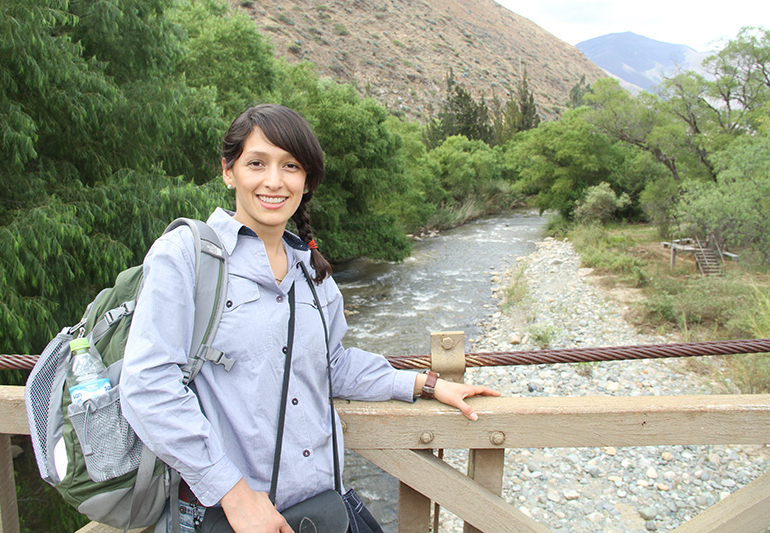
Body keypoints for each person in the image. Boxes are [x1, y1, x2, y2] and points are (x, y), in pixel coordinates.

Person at [120, 103, 500, 533]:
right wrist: (235, 493)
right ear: (228, 171)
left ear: (306, 179)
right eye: (256, 163)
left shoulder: (313, 273)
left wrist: (427, 384)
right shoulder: (187, 256)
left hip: (320, 510)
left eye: (291, 166)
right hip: (226, 518)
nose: (274, 181)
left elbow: (330, 364)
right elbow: (147, 386)